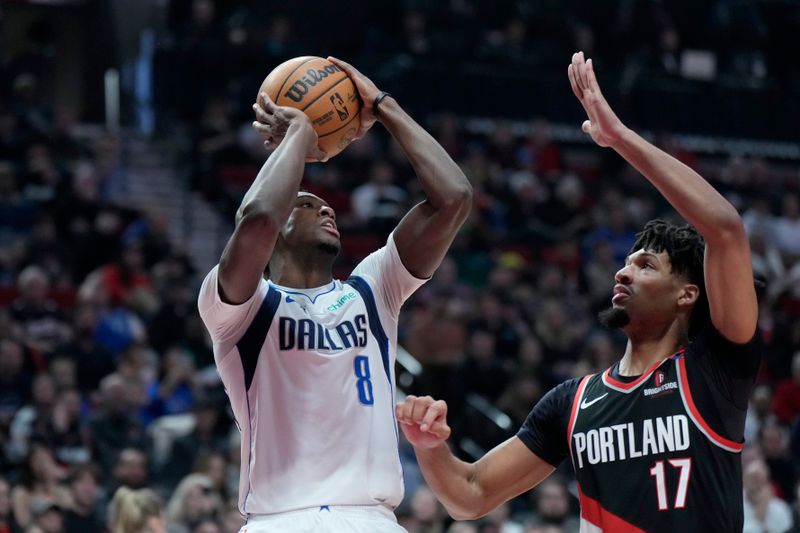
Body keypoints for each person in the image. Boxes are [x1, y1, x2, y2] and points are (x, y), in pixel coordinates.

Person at [396, 52, 760, 532]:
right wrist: (430, 446)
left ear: (686, 295)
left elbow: (725, 229)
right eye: (625, 263)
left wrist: (620, 139)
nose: (623, 273)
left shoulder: (714, 373)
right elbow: (471, 494)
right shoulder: (573, 402)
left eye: (646, 265)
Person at [197, 56, 471, 533]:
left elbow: (454, 198)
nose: (327, 211)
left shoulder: (372, 289)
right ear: (281, 226)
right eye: (306, 204)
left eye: (328, 207)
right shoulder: (239, 309)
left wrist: (383, 106)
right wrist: (301, 133)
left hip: (372, 519)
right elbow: (257, 218)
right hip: (280, 520)